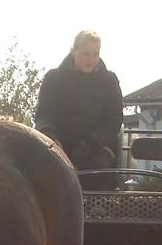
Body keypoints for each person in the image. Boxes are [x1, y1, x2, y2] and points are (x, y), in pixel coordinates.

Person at [33, 30, 123, 180]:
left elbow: (114, 120)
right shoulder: (53, 79)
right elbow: (44, 115)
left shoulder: (109, 81)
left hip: (97, 147)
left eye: (95, 54)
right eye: (86, 54)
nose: (91, 59)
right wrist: (50, 139)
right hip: (59, 144)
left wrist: (89, 145)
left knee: (97, 171)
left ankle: (97, 203)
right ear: (73, 51)